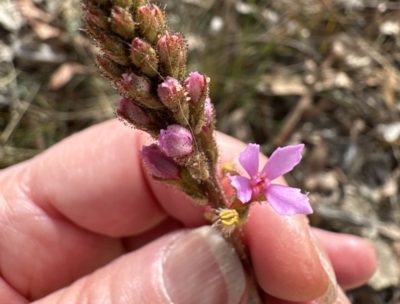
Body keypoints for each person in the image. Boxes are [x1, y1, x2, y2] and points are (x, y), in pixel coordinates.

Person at [0, 119, 376, 304]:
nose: (261, 183)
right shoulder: (242, 183)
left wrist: (245, 196)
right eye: (258, 181)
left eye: (263, 182)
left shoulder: (252, 188)